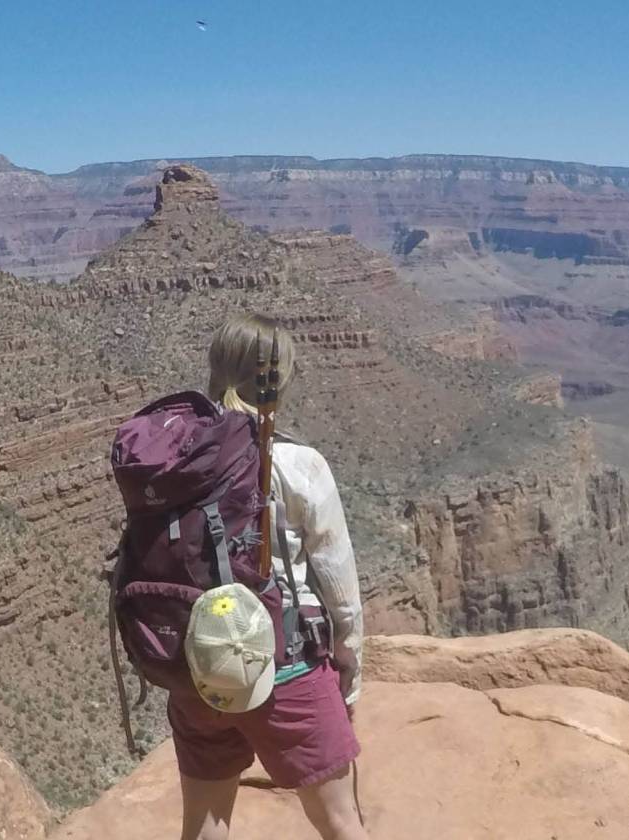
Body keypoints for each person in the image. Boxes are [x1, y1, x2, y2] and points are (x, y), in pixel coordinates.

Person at [170, 313, 369, 840]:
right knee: (342, 823)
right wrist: (349, 673)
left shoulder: (178, 460)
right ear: (277, 379)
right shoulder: (298, 465)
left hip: (201, 667)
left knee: (204, 827)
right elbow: (340, 592)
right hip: (286, 667)